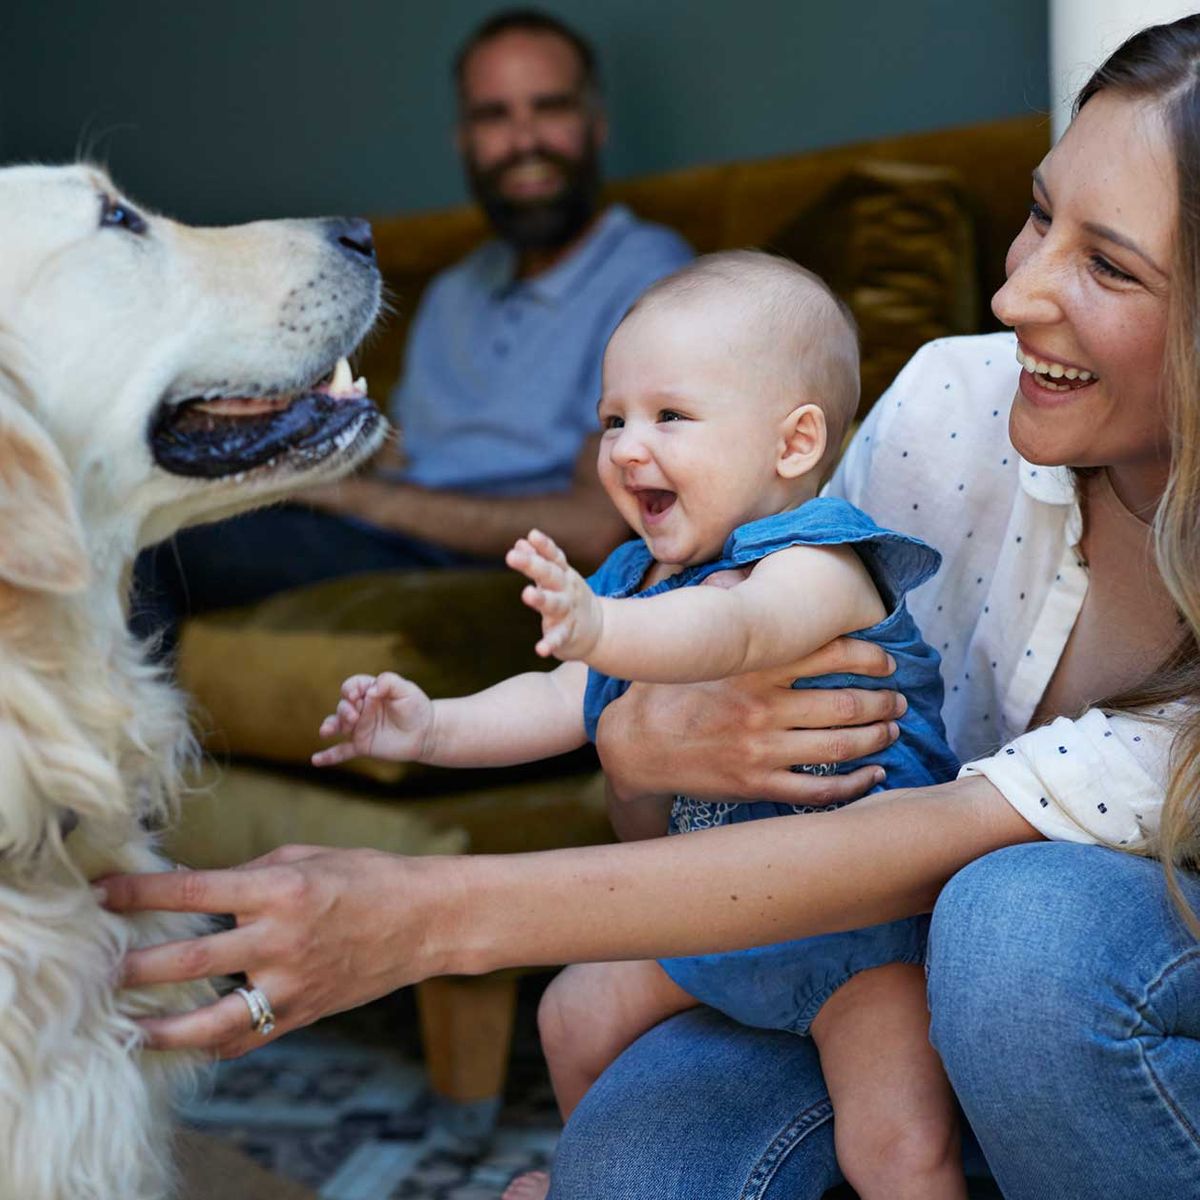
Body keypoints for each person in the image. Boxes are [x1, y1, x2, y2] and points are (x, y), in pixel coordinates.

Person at [101, 16, 1200, 1198]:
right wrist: (618, 740)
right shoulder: (951, 402)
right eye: (1039, 214)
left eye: (1109, 264)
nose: (1012, 287)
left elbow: (880, 811)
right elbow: (660, 772)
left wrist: (420, 913)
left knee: (1015, 937)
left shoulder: (791, 558)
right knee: (620, 1158)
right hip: (812, 939)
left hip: (996, 970)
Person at [313, 253, 964, 1200]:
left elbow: (737, 629)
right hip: (713, 918)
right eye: (613, 419)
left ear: (792, 445)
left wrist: (610, 630)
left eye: (670, 417)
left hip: (858, 938)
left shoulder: (822, 559)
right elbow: (553, 702)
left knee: (896, 1151)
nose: (623, 446)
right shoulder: (641, 577)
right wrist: (427, 731)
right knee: (572, 1015)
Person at [132, 8, 692, 647]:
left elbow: (597, 526)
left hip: (485, 563)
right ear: (464, 141)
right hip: (380, 535)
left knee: (160, 546)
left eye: (551, 107)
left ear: (595, 126)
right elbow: (406, 452)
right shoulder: (454, 290)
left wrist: (340, 497)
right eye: (493, 116)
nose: (523, 139)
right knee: (140, 507)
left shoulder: (651, 275)